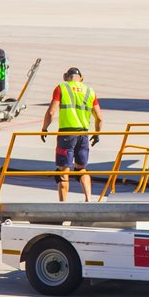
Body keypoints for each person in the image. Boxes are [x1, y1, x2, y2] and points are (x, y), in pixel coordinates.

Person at [41, 67, 104, 202]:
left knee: (63, 170)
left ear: (65, 77)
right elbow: (99, 118)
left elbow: (51, 112)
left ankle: (63, 205)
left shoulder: (61, 88)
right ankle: (88, 199)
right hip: (83, 134)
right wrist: (97, 134)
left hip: (67, 134)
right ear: (81, 78)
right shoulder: (89, 91)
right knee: (81, 169)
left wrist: (44, 128)